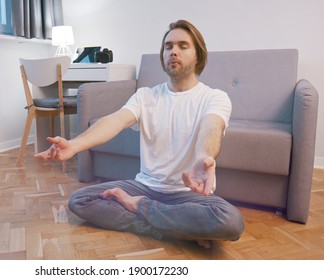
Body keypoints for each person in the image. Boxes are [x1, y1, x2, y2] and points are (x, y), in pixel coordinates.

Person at [35, 19, 244, 248]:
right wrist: (75, 145)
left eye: (183, 46)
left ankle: (139, 207)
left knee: (230, 221)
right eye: (168, 46)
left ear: (198, 55)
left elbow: (211, 127)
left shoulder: (214, 97)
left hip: (186, 195)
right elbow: (115, 120)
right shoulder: (146, 96)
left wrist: (204, 157)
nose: (173, 51)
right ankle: (177, 230)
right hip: (144, 186)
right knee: (80, 200)